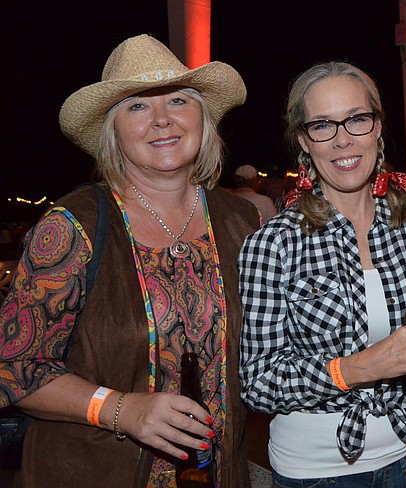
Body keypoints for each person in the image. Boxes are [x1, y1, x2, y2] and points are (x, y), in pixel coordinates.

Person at [0, 34, 261, 486]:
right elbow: (14, 368)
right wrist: (123, 409)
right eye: (137, 106)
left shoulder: (241, 219)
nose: (162, 119)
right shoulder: (72, 225)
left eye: (178, 100)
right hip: (95, 472)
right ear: (113, 130)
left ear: (203, 118)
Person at [238, 61, 406, 487]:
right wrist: (355, 368)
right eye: (323, 125)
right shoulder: (274, 243)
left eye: (357, 119)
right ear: (303, 141)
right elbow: (256, 382)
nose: (343, 139)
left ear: (377, 128)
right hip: (319, 473)